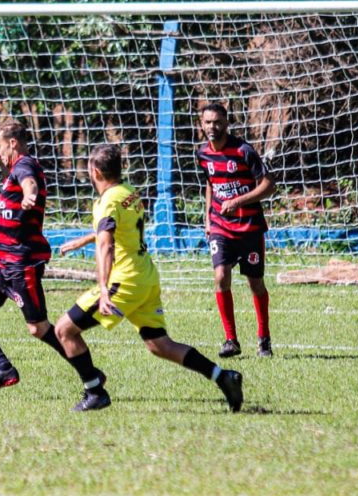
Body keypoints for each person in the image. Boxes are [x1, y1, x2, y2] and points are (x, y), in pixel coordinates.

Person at [56, 144, 244, 412]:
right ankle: (222, 376)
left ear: (95, 171)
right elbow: (114, 229)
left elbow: (107, 245)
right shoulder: (128, 193)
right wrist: (83, 240)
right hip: (146, 276)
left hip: (125, 280)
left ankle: (94, 390)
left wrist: (104, 288)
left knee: (64, 329)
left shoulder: (106, 201)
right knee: (159, 345)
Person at [0, 120, 107, 410]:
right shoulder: (13, 168)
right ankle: (3, 368)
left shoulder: (25, 166)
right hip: (1, 261)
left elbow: (30, 183)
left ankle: (92, 378)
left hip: (22, 263)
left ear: (13, 143)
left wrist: (30, 195)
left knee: (38, 329)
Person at [196, 102, 276, 358]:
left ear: (226, 123)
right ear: (201, 124)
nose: (212, 127)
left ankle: (264, 338)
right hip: (220, 226)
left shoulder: (243, 151)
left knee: (256, 284)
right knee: (220, 276)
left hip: (249, 228)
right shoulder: (202, 154)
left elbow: (268, 185)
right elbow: (210, 183)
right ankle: (231, 339)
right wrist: (208, 218)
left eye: (217, 122)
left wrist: (239, 201)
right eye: (208, 122)